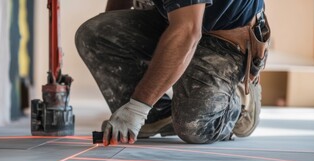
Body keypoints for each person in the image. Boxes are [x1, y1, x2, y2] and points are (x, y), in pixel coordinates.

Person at [75, 0, 270, 146]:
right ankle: (157, 115)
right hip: (176, 19)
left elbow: (187, 31)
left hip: (226, 36)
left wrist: (137, 107)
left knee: (194, 127)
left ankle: (234, 104)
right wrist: (119, 46)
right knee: (96, 34)